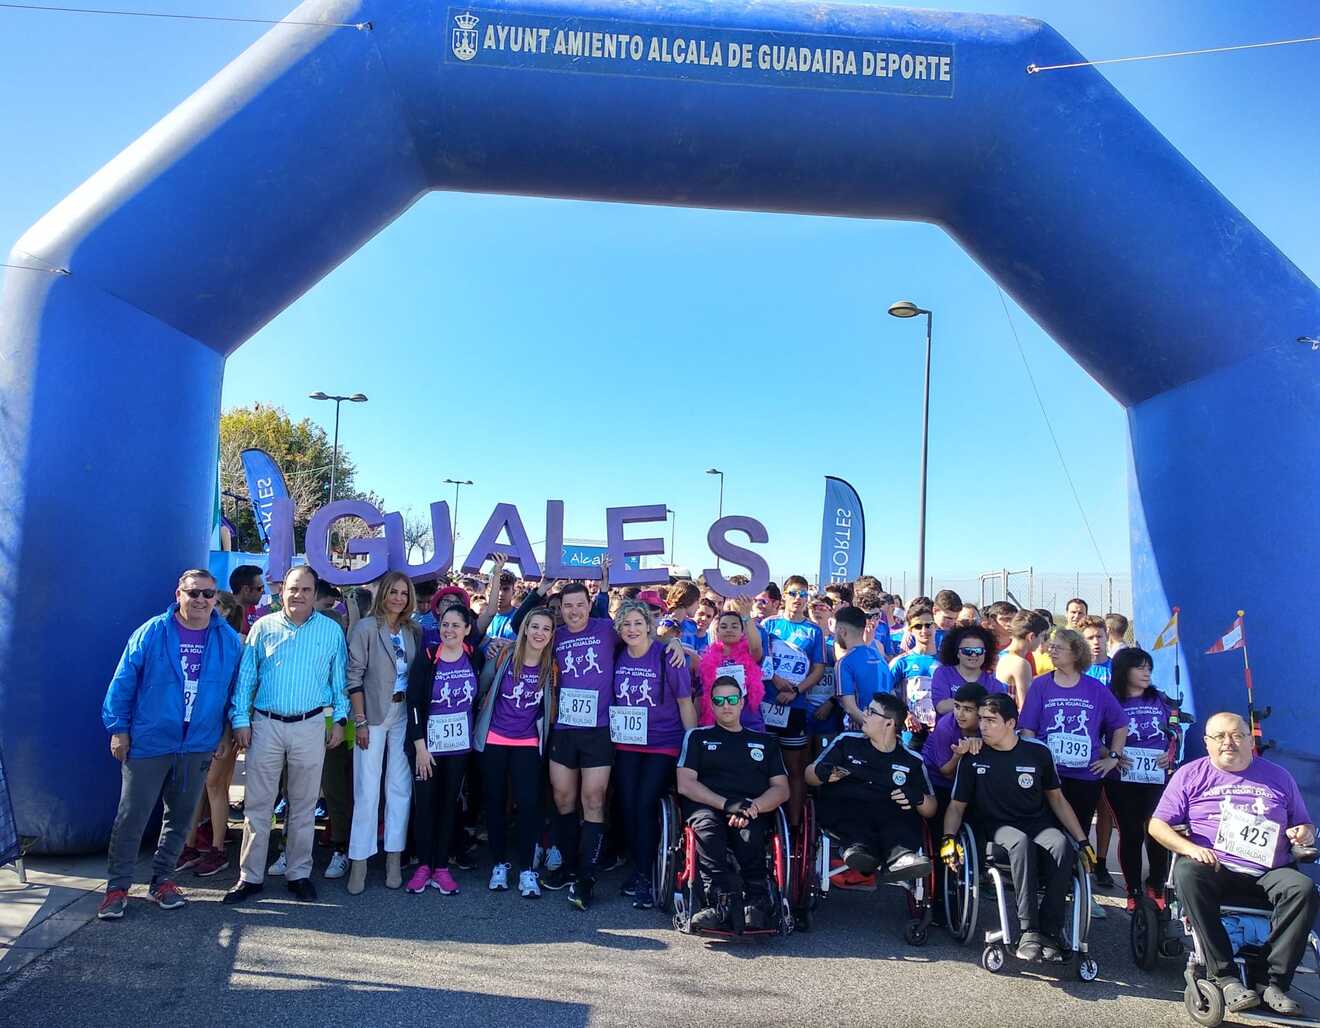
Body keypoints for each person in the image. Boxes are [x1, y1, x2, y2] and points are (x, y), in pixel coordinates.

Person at [1149, 712, 1318, 1017]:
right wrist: (1190, 849)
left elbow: (1305, 824)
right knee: (1187, 872)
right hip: (1216, 866)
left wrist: (1303, 832)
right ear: (1207, 743)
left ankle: (1272, 982)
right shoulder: (1190, 774)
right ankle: (1225, 976)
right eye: (1219, 736)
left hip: (1269, 869)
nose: (1229, 742)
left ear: (1250, 740)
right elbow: (1157, 825)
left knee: (1303, 888)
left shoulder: (1279, 776)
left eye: (1237, 735)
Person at [98, 570, 243, 919]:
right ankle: (117, 888)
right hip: (150, 740)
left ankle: (162, 881)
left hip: (198, 743)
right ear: (178, 594)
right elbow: (123, 682)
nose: (201, 600)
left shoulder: (228, 640)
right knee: (132, 816)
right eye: (194, 593)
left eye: (208, 594)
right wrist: (118, 729)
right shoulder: (152, 632)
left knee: (180, 817)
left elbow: (235, 691)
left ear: (216, 598)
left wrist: (225, 732)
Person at [224, 566, 348, 905]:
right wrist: (241, 720)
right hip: (266, 724)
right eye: (293, 588)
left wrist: (340, 720)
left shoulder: (330, 631)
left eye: (306, 590)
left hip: (310, 725)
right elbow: (247, 678)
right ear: (282, 592)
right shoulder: (263, 627)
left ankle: (299, 874)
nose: (298, 595)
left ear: (315, 593)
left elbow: (338, 681)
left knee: (304, 807)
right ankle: (250, 876)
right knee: (258, 805)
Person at [942, 693, 1097, 963]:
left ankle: (1050, 931)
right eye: (981, 719)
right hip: (996, 829)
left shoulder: (1038, 752)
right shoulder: (973, 756)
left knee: (1062, 846)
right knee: (1020, 842)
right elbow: (956, 806)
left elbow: (1057, 800)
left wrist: (1083, 841)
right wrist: (948, 838)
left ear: (1011, 723)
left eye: (991, 720)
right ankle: (1029, 930)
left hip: (1037, 824)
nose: (983, 726)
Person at [1018, 626, 1128, 917]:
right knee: (1045, 831)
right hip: (1048, 775)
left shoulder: (1095, 689)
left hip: (1084, 777)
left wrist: (1113, 757)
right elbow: (1027, 728)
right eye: (1051, 646)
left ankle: (1082, 889)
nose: (1052, 651)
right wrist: (1033, 762)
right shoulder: (1041, 685)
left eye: (1059, 647)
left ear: (1076, 653)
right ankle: (1043, 888)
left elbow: (1120, 724)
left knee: (1077, 832)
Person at [677, 676, 790, 932]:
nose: (725, 705)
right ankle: (717, 902)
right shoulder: (697, 737)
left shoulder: (766, 742)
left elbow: (782, 789)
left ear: (742, 703)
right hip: (708, 805)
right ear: (711, 705)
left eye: (731, 699)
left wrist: (753, 807)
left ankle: (757, 901)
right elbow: (685, 784)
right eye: (718, 700)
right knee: (708, 829)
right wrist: (727, 804)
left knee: (750, 833)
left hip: (752, 808)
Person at [610, 600, 698, 909]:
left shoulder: (668, 656)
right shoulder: (617, 654)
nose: (632, 629)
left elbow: (685, 703)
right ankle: (639, 867)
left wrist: (691, 747)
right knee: (627, 806)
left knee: (645, 804)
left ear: (649, 625)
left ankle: (646, 877)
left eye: (638, 623)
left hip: (662, 743)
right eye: (626, 624)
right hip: (626, 742)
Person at [344, 571, 421, 894]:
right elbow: (354, 676)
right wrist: (360, 721)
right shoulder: (365, 628)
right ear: (383, 594)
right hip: (372, 714)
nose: (398, 598)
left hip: (403, 713)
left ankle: (393, 856)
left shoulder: (412, 630)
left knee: (399, 787)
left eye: (404, 593)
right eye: (393, 592)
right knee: (366, 787)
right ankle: (359, 860)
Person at [473, 606, 557, 898]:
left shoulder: (551, 666)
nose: (539, 633)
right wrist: (488, 648)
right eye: (535, 626)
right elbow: (481, 685)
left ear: (551, 634)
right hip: (494, 738)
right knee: (495, 803)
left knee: (529, 805)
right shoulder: (505, 655)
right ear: (525, 629)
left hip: (528, 742)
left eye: (546, 628)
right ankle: (498, 864)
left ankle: (526, 869)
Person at [807, 691, 935, 882]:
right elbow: (809, 776)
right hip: (849, 809)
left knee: (903, 820)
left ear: (889, 723)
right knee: (851, 813)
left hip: (891, 813)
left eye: (871, 712)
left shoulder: (912, 760)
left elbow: (931, 809)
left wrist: (917, 797)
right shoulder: (847, 742)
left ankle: (901, 857)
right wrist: (822, 773)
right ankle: (861, 852)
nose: (864, 714)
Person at [404, 604, 484, 895]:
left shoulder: (474, 656)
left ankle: (441, 867)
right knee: (425, 805)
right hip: (426, 747)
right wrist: (420, 746)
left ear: (467, 629)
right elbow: (413, 702)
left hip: (459, 747)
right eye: (444, 624)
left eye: (455, 625)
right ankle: (424, 866)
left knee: (450, 805)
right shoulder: (428, 657)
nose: (448, 630)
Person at [1101, 647, 1178, 911]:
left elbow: (1175, 729)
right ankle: (1133, 890)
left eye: (1149, 668)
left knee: (1156, 830)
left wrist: (1171, 753)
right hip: (1121, 779)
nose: (1147, 673)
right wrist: (1112, 754)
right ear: (1124, 671)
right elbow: (1095, 734)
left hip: (1156, 777)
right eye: (1140, 667)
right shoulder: (1109, 699)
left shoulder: (1160, 699)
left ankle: (1156, 885)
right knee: (1131, 832)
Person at [759, 575, 826, 827]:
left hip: (795, 705)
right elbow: (760, 658)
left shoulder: (814, 631)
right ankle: (762, 820)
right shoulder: (768, 624)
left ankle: (794, 825)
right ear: (784, 596)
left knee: (795, 767)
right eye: (794, 593)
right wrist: (776, 681)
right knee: (761, 763)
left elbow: (818, 669)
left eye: (803, 594)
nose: (799, 599)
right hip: (766, 702)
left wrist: (796, 691)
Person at [697, 610, 766, 729]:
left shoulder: (750, 655)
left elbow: (756, 646)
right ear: (717, 632)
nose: (729, 630)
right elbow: (700, 697)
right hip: (717, 723)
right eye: (724, 627)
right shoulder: (707, 660)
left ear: (742, 632)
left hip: (749, 721)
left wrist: (746, 616)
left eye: (734, 627)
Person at [832, 606, 894, 729]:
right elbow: (892, 694)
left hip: (860, 731)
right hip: (885, 728)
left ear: (842, 631)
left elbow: (850, 708)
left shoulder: (844, 663)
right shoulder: (879, 656)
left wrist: (874, 729)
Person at [889, 604, 940, 743]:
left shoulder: (947, 662)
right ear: (910, 630)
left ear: (935, 626)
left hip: (940, 731)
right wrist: (904, 714)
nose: (924, 630)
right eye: (918, 626)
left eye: (928, 625)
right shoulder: (901, 662)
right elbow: (886, 692)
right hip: (911, 732)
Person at [931, 624, 1002, 716]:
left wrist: (957, 703)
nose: (973, 655)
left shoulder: (994, 684)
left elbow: (998, 713)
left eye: (978, 651)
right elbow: (941, 707)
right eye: (967, 651)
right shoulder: (943, 674)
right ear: (957, 653)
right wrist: (981, 703)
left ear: (985, 653)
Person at [806, 594, 841, 747]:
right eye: (813, 607)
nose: (817, 611)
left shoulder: (838, 642)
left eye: (822, 607)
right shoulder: (803, 638)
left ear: (831, 611)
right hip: (804, 704)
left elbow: (844, 677)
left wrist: (831, 702)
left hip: (829, 707)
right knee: (803, 754)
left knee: (825, 753)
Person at [996, 611, 1048, 708]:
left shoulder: (1002, 655)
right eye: (1042, 636)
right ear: (1031, 637)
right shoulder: (1020, 663)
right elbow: (1025, 706)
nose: (1042, 641)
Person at [229, 565, 265, 636]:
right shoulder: (228, 613)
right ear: (246, 590)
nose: (263, 592)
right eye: (260, 588)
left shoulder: (250, 606)